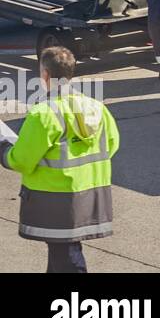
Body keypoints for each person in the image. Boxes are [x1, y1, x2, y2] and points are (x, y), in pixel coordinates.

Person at [0, 46, 119, 272]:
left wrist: (4, 150)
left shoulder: (44, 114)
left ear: (45, 74)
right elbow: (111, 146)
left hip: (54, 199)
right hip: (91, 195)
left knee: (67, 259)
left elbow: (21, 160)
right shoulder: (97, 108)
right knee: (61, 255)